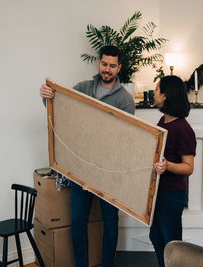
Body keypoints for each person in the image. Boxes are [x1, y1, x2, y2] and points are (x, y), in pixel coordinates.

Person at [40, 45, 135, 267]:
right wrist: (46, 97)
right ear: (99, 63)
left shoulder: (125, 99)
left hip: (108, 174)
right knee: (77, 222)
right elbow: (59, 108)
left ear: (119, 67)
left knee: (110, 223)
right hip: (79, 170)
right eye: (104, 64)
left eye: (112, 65)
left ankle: (106, 265)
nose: (107, 69)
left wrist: (99, 174)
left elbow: (124, 142)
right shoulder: (82, 88)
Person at [150, 75, 196, 267]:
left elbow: (189, 167)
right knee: (156, 237)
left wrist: (168, 166)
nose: (154, 92)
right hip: (159, 192)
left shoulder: (183, 129)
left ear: (165, 96)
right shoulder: (163, 120)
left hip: (172, 195)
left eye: (157, 88)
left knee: (172, 244)